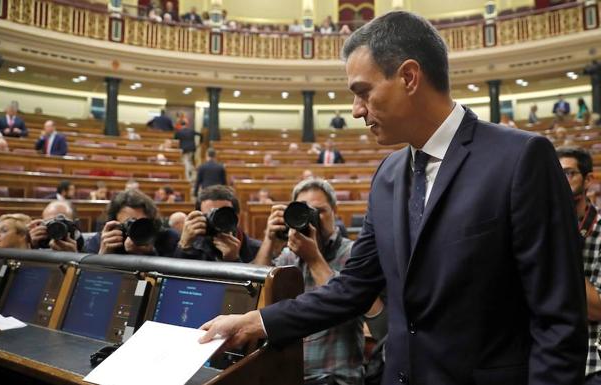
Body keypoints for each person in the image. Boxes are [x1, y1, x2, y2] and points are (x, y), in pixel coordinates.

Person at [199, 11, 587, 385]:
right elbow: (351, 288)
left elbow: (558, 321)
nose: (355, 110)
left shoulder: (520, 158)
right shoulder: (387, 175)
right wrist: (255, 322)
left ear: (409, 77)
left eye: (362, 92)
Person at [253, 179, 370, 384]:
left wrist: (313, 258)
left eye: (320, 211)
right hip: (291, 373)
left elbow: (348, 304)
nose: (313, 218)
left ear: (335, 211)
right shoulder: (289, 255)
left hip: (334, 376)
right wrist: (269, 239)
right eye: (305, 212)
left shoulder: (353, 253)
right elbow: (257, 292)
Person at [557, 147, 601, 384]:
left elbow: (597, 310)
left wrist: (563, 252)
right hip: (546, 357)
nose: (560, 180)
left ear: (588, 179)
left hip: (592, 362)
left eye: (569, 173)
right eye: (556, 173)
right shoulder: (538, 230)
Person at [176, 185, 260, 263]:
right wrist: (184, 246)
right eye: (210, 215)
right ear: (199, 216)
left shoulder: (256, 250)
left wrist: (234, 260)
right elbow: (175, 276)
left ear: (237, 217)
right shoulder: (192, 245)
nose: (217, 220)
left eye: (222, 215)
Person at [85, 189, 180, 257]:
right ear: (115, 224)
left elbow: (173, 281)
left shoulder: (168, 239)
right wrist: (103, 258)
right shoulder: (103, 241)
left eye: (141, 223)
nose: (136, 229)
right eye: (129, 224)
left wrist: (150, 254)